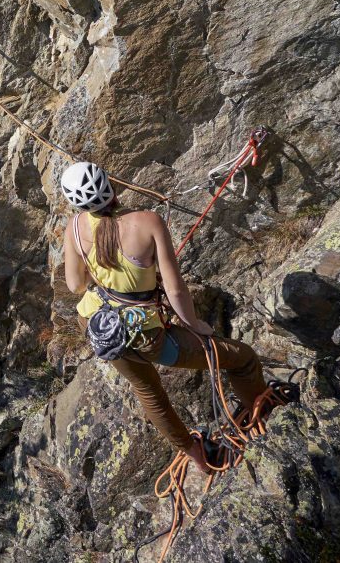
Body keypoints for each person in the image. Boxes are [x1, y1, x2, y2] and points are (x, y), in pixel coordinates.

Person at [58, 161, 288, 468]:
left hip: (99, 326)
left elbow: (75, 285)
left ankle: (197, 456)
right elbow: (175, 289)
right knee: (241, 358)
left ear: (75, 202)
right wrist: (195, 325)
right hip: (147, 334)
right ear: (110, 185)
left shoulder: (74, 229)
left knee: (148, 391)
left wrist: (101, 265)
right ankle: (265, 417)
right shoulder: (147, 222)